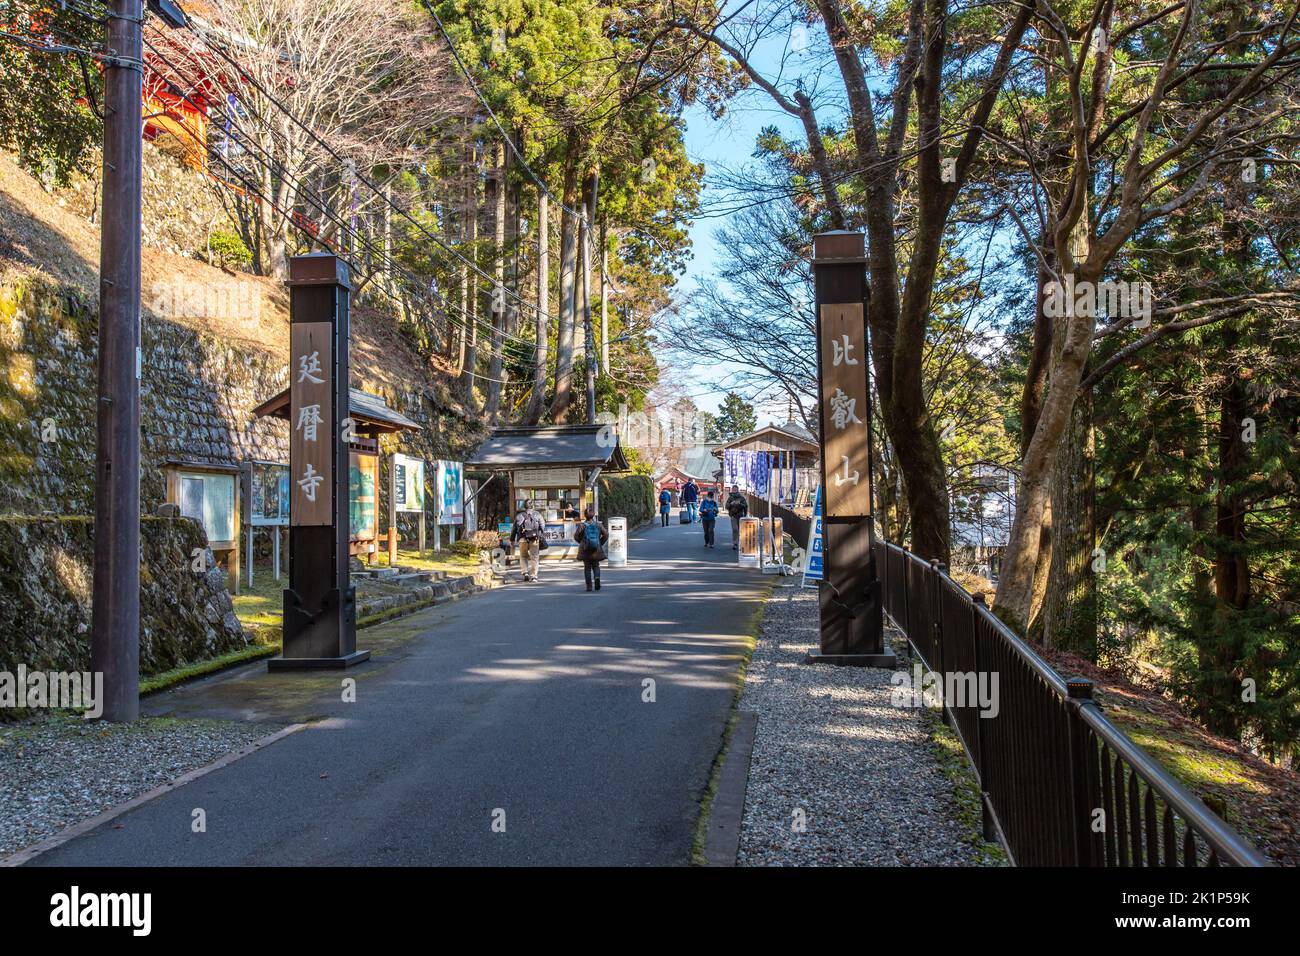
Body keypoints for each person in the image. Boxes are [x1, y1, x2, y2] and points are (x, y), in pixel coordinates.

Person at [573, 505, 609, 591]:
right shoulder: (598, 525)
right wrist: (599, 543)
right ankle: (597, 578)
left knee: (587, 568)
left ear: (585, 515)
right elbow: (606, 534)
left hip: (585, 550)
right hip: (596, 549)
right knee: (596, 566)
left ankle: (589, 586)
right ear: (593, 515)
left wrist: (582, 543)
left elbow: (576, 536)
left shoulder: (582, 525)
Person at [510, 504, 546, 582]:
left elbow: (514, 529)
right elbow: (542, 526)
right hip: (534, 539)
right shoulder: (537, 514)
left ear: (524, 507)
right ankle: (533, 576)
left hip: (522, 539)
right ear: (532, 506)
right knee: (534, 557)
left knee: (523, 556)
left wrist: (512, 539)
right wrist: (540, 534)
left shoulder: (519, 516)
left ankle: (525, 572)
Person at [725, 485, 748, 550]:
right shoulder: (730, 498)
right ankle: (735, 543)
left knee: (741, 530)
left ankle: (741, 542)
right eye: (733, 489)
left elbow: (745, 506)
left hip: (740, 515)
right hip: (733, 515)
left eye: (735, 489)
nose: (734, 490)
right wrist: (731, 504)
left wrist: (739, 504)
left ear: (738, 490)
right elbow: (726, 506)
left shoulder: (741, 498)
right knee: (735, 529)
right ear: (732, 490)